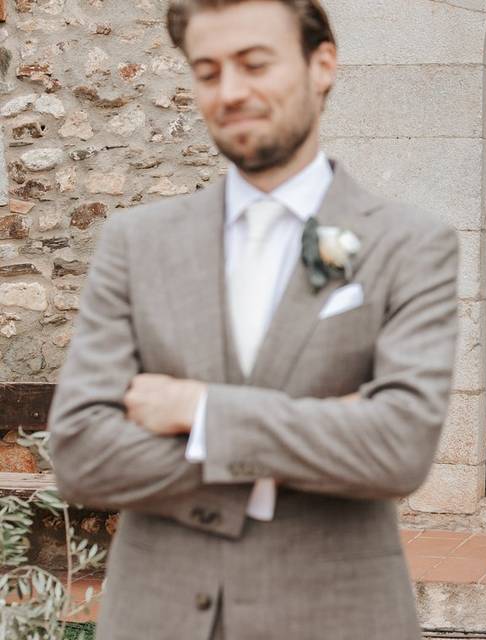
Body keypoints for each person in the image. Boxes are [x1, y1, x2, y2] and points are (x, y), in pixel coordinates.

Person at [47, 1, 459, 638]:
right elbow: (81, 453)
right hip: (156, 617)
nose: (230, 92)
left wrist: (203, 413)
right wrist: (323, 434)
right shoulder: (136, 243)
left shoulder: (410, 245)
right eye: (208, 72)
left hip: (335, 618)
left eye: (255, 64)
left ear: (322, 65)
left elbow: (397, 448)